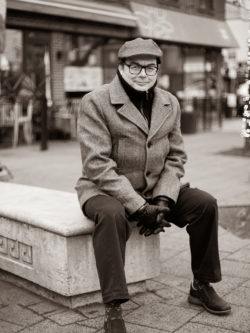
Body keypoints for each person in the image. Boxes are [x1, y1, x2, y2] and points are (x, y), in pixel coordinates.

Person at [75, 37, 231, 333]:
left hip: (155, 188)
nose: (142, 73)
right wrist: (138, 207)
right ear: (121, 67)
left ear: (158, 69)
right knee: (110, 216)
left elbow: (176, 155)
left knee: (205, 204)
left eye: (150, 67)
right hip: (104, 188)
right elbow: (96, 164)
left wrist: (162, 202)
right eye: (134, 66)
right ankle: (113, 307)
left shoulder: (169, 102)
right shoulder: (96, 101)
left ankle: (201, 285)